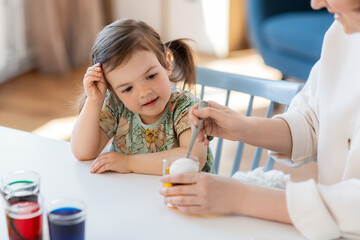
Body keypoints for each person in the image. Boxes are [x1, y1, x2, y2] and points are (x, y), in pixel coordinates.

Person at [159, 0, 360, 239]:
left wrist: (243, 197)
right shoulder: (342, 34)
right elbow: (314, 124)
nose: (316, 3)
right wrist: (241, 127)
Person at [71, 19, 214, 175]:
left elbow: (193, 158)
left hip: (184, 195)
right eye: (127, 88)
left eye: (151, 76)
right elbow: (82, 153)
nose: (144, 92)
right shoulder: (116, 106)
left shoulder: (185, 106)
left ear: (166, 62)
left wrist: (129, 162)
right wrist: (94, 101)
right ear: (112, 90)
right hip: (133, 193)